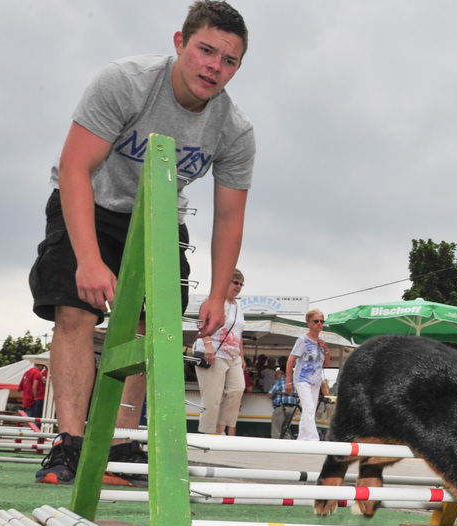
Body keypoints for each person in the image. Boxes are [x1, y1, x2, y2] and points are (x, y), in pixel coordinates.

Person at [29, 1, 254, 484]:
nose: (215, 66)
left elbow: (230, 218)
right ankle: (69, 445)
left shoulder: (234, 131)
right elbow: (74, 167)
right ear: (180, 43)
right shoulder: (126, 81)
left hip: (156, 217)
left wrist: (216, 294)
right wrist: (88, 258)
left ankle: (120, 443)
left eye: (229, 60)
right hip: (91, 202)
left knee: (154, 329)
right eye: (206, 50)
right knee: (75, 311)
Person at [192, 269, 246, 436]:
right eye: (235, 282)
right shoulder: (213, 301)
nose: (238, 286)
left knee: (237, 389)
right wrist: (208, 345)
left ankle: (221, 428)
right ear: (226, 283)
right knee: (212, 396)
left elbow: (238, 333)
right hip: (213, 352)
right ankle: (208, 433)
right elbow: (202, 324)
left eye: (241, 284)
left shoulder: (239, 306)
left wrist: (241, 356)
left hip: (232, 354)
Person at [286, 309, 330, 441]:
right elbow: (291, 360)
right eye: (316, 321)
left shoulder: (321, 342)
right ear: (309, 323)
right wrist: (288, 381)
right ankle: (313, 438)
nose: (319, 324)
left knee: (308, 410)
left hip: (315, 381)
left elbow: (326, 364)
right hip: (302, 379)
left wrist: (326, 349)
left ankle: (302, 438)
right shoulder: (303, 340)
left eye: (322, 321)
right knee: (309, 408)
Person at [266, 369, 297, 439]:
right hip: (292, 408)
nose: (276, 376)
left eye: (277, 374)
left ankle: (276, 447)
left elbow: (270, 395)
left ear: (284, 374)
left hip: (281, 408)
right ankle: (287, 447)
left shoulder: (279, 382)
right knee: (286, 430)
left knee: (276, 431)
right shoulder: (293, 383)